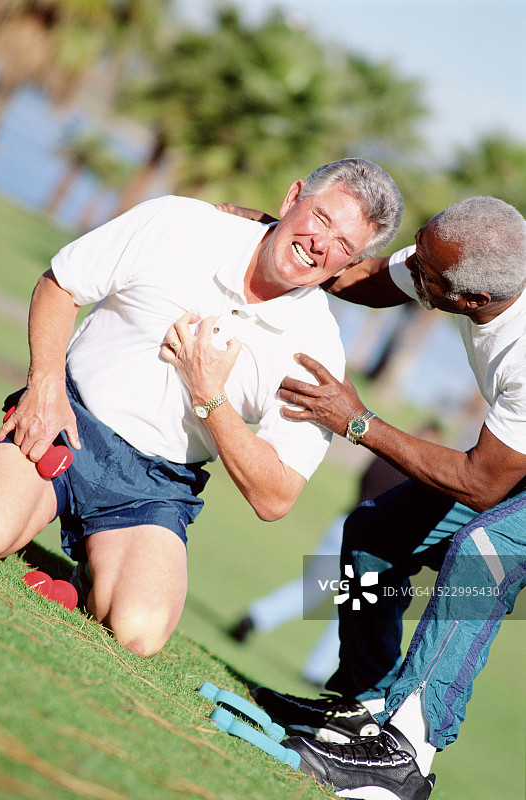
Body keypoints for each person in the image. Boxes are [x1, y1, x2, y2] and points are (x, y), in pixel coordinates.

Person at [0, 158, 404, 658]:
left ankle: (88, 582)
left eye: (344, 246)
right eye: (322, 218)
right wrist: (45, 387)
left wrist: (209, 395)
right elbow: (60, 285)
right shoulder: (180, 223)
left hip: (156, 486)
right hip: (69, 419)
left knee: (139, 632)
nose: (321, 245)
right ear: (293, 197)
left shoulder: (319, 352)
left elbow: (276, 496)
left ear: (348, 265)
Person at [232, 196, 526, 799]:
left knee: (484, 551)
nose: (409, 266)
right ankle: (364, 711)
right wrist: (281, 235)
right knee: (372, 535)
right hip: (510, 466)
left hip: (502, 475)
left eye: (425, 273)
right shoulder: (448, 264)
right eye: (418, 247)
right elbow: (360, 279)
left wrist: (358, 421)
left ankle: (406, 754)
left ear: (470, 300)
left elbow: (483, 483)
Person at [228, 424, 442, 688]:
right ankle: (316, 670)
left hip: (345, 523)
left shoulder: (383, 457)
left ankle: (256, 616)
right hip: (374, 542)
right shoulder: (417, 474)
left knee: (311, 589)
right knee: (351, 606)